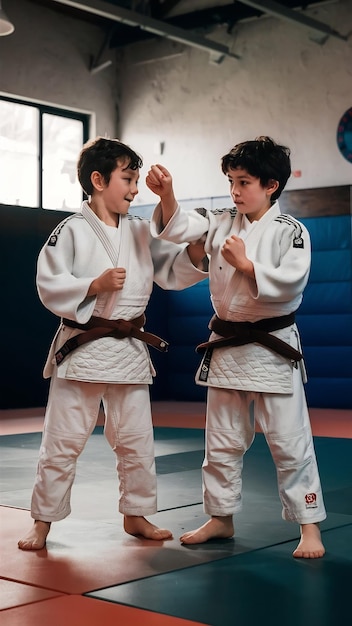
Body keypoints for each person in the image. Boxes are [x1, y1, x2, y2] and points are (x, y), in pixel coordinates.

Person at [18, 137, 208, 551]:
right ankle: (42, 521)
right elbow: (48, 284)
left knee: (137, 439)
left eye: (137, 179)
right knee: (62, 440)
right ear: (98, 180)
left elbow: (171, 271)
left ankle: (136, 515)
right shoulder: (69, 230)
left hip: (127, 349)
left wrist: (195, 255)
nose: (135, 189)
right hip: (84, 345)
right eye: (128, 179)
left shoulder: (140, 229)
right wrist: (93, 284)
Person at [146, 136, 326, 559]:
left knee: (289, 440)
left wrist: (247, 265)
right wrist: (168, 195)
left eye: (244, 182)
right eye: (230, 181)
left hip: (272, 346)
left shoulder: (292, 231)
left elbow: (292, 284)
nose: (234, 191)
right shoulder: (222, 219)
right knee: (221, 440)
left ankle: (309, 526)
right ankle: (221, 517)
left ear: (271, 185)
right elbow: (179, 227)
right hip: (227, 345)